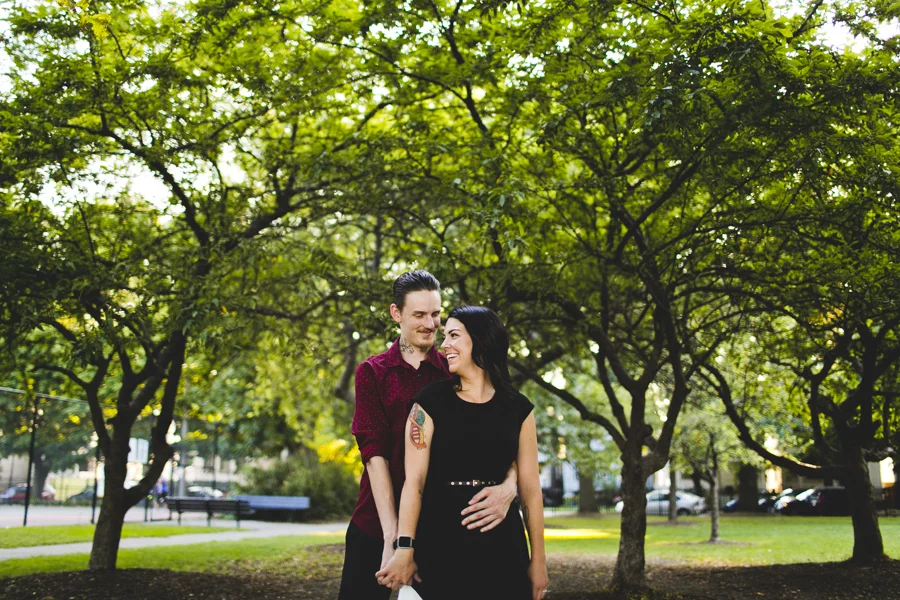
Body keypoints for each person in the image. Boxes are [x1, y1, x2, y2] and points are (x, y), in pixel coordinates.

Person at [338, 272, 520, 600]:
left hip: (441, 524)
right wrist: (391, 536)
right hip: (375, 521)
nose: (430, 323)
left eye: (435, 314)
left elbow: (504, 432)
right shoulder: (373, 372)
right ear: (396, 313)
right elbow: (373, 454)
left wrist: (510, 485)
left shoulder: (458, 370)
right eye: (419, 315)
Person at [377, 306, 549, 600]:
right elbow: (413, 482)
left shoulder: (519, 409)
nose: (444, 345)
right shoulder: (428, 403)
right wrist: (404, 548)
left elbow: (531, 490)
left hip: (503, 546)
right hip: (439, 540)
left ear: (481, 342)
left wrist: (539, 561)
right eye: (445, 336)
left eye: (454, 335)